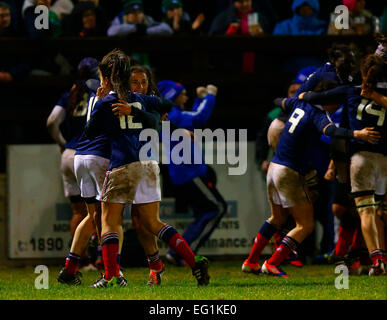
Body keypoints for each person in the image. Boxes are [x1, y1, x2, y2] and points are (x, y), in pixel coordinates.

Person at [84, 49, 210, 287]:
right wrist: (139, 111)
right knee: (152, 223)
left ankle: (110, 276)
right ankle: (194, 262)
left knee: (110, 220)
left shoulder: (107, 103)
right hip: (149, 165)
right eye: (135, 81)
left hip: (122, 165)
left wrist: (99, 104)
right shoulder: (142, 100)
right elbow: (163, 107)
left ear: (109, 78)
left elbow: (89, 132)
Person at [242, 80, 379, 277]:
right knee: (305, 225)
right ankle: (272, 263)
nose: (338, 106)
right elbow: (331, 131)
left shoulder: (298, 104)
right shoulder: (318, 113)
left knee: (277, 218)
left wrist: (294, 98)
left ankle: (251, 261)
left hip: (274, 167)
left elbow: (276, 101)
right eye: (337, 101)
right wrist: (357, 133)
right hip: (289, 170)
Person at [299, 54, 387, 275]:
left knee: (366, 212)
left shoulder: (350, 91)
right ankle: (372, 258)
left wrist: (304, 93)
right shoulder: (383, 94)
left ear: (364, 73)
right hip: (384, 158)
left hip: (360, 157)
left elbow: (314, 96)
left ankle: (376, 262)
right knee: (379, 213)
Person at [156, 80, 228, 266]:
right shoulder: (173, 114)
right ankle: (186, 253)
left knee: (205, 211)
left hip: (185, 171)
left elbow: (193, 115)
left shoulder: (172, 115)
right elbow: (199, 118)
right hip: (189, 171)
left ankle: (178, 253)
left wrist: (200, 99)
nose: (185, 97)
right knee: (217, 208)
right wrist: (210, 96)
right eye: (182, 93)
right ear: (173, 96)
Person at [47, 58, 98, 271]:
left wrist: (61, 143)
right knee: (97, 211)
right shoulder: (99, 93)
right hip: (88, 153)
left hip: (68, 153)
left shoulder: (71, 93)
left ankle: (81, 261)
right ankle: (104, 259)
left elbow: (51, 121)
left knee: (78, 212)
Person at [107, 0, 173, 37]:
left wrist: (146, 30)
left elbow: (168, 29)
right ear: (126, 15)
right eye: (133, 13)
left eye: (139, 13)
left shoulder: (146, 19)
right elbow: (111, 32)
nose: (137, 16)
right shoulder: (120, 19)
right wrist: (135, 28)